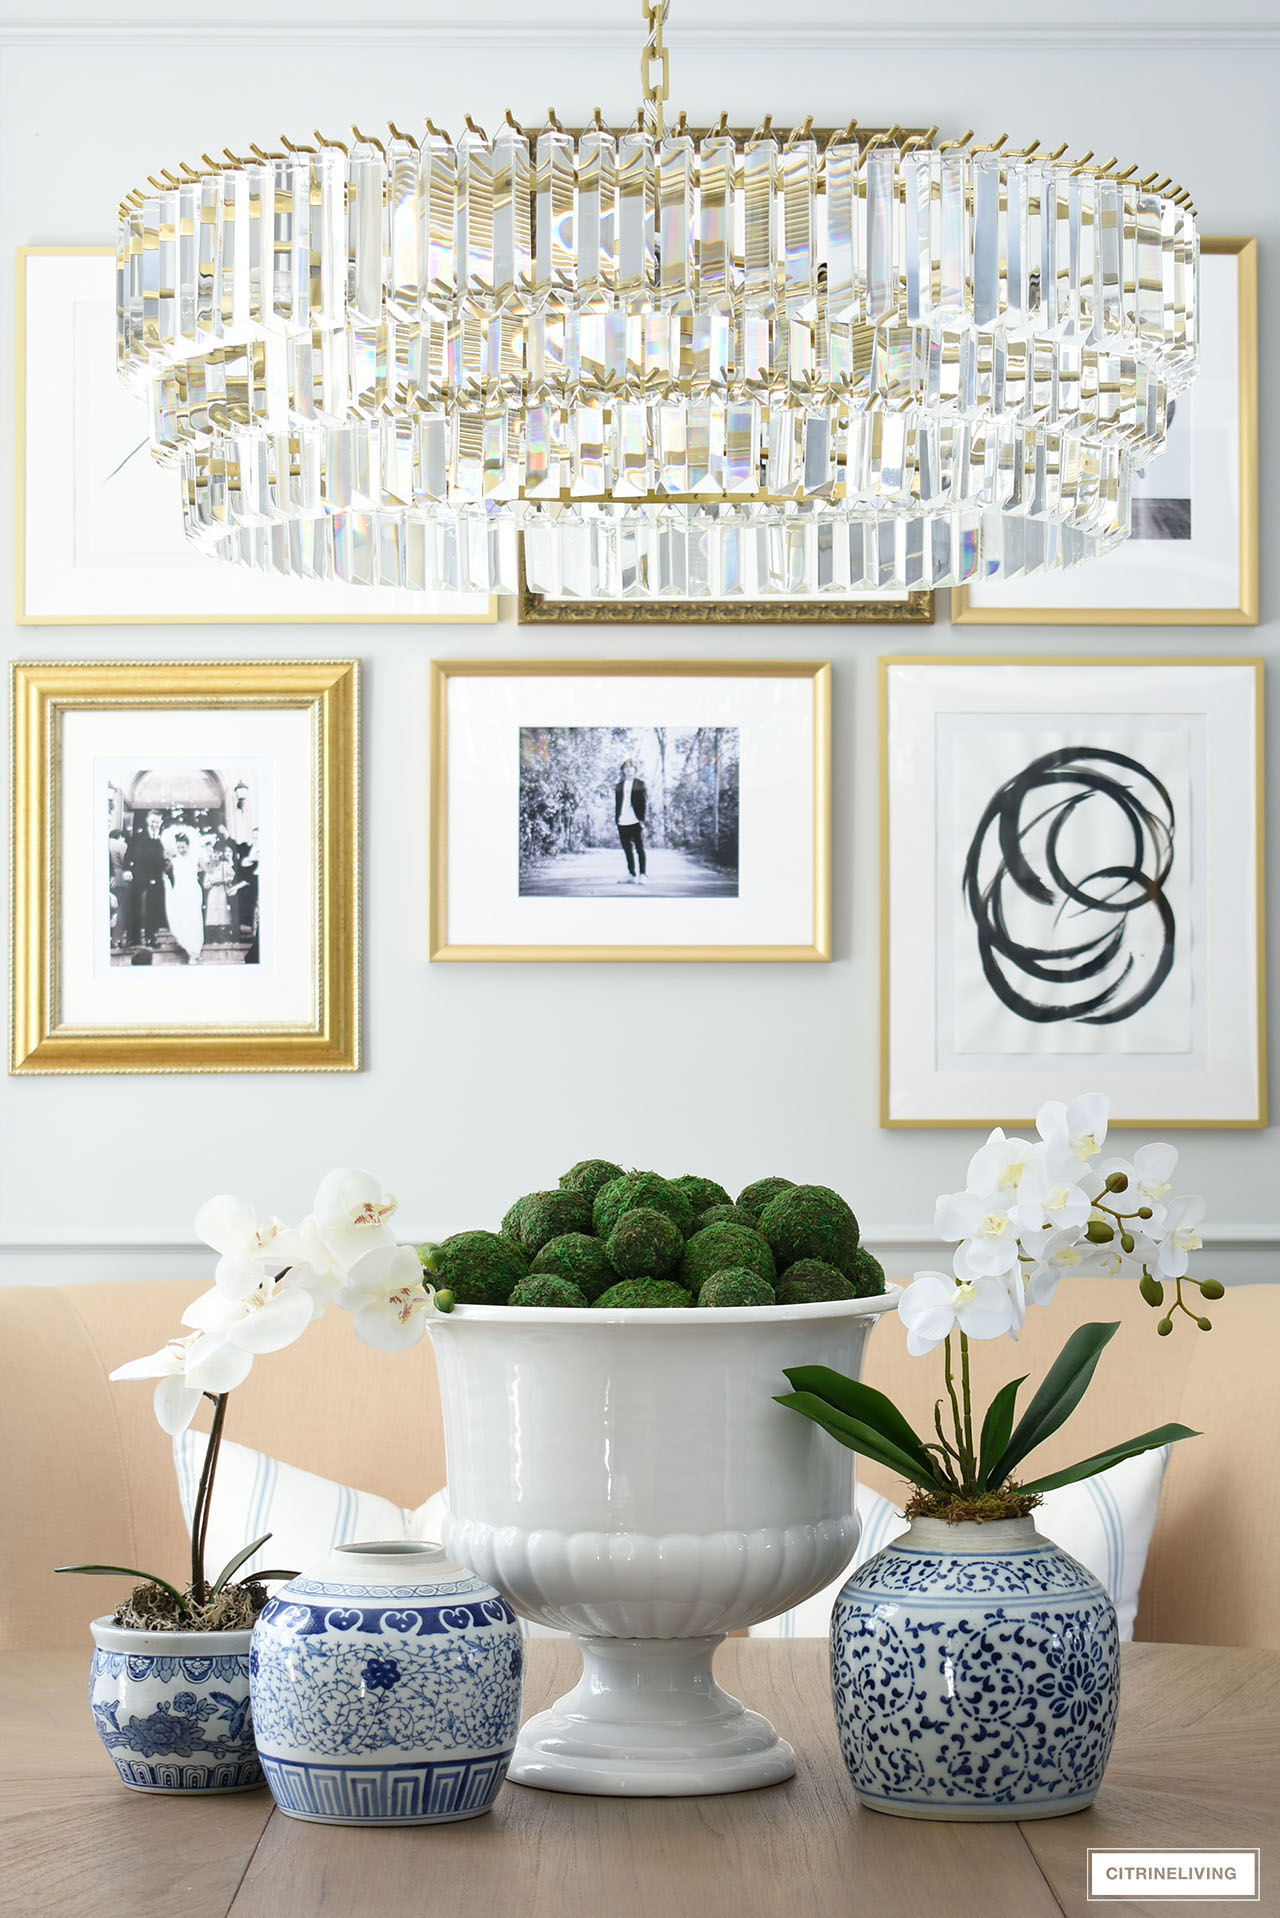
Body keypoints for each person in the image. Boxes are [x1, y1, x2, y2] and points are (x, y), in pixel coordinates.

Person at [122, 810, 167, 949]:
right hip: (139, 875)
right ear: (148, 821)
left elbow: (163, 859)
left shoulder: (163, 838)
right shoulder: (138, 836)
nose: (155, 824)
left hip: (156, 877)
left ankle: (151, 938)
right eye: (152, 821)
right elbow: (129, 854)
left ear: (161, 823)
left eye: (157, 822)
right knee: (135, 906)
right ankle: (133, 939)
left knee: (154, 908)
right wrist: (127, 869)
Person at [164, 828, 206, 963]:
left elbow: (209, 870)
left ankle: (195, 950)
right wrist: (166, 857)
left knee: (194, 919)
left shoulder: (196, 858)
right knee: (182, 919)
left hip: (193, 891)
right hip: (179, 892)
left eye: (183, 847)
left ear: (188, 845)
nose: (181, 849)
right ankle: (188, 948)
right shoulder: (174, 861)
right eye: (179, 847)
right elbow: (164, 872)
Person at [614, 758, 647, 885]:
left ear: (635, 769)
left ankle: (643, 874)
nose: (628, 769)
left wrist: (642, 820)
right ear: (623, 770)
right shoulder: (619, 786)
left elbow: (644, 803)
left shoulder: (640, 784)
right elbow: (617, 804)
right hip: (622, 821)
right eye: (626, 767)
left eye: (631, 767)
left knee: (640, 848)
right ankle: (631, 874)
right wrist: (617, 819)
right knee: (627, 849)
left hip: (636, 821)